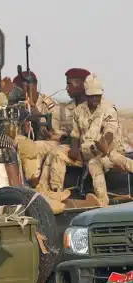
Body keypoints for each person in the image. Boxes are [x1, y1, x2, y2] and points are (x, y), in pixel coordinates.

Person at [41, 75, 123, 207]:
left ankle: (102, 201)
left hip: (104, 152)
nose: (95, 99)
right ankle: (55, 192)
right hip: (84, 151)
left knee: (95, 164)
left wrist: (104, 146)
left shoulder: (108, 108)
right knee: (57, 153)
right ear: (86, 95)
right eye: (91, 96)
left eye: (97, 96)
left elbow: (110, 131)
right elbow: (75, 133)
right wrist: (74, 148)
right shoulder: (79, 110)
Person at [36, 68, 93, 204]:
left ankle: (56, 191)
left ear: (82, 85)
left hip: (87, 149)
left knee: (57, 153)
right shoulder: (66, 108)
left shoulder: (93, 106)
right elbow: (65, 133)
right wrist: (53, 135)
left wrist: (73, 144)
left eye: (69, 84)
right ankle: (40, 188)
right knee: (38, 146)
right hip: (69, 145)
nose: (66, 88)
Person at [9, 69, 63, 186]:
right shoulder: (17, 104)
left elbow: (53, 134)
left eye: (23, 89)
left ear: (34, 87)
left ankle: (34, 184)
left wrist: (35, 112)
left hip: (51, 142)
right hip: (28, 141)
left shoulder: (48, 104)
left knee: (34, 147)